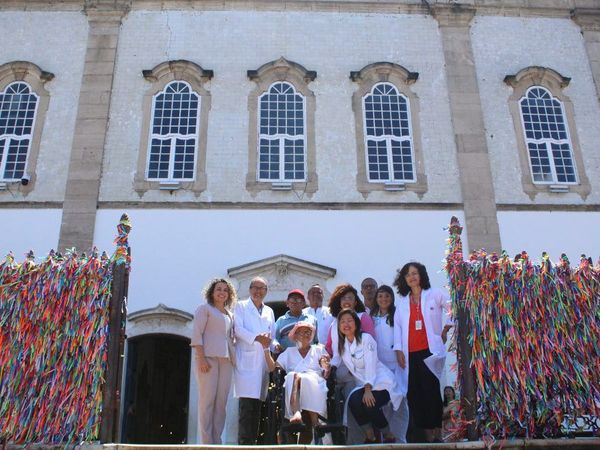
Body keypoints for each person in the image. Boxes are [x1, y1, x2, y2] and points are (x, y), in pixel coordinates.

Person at [393, 262, 453, 443]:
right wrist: (398, 350)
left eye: (415, 273)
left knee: (432, 392)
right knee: (415, 394)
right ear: (404, 280)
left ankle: (437, 433)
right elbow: (398, 328)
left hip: (430, 352)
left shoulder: (434, 294)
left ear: (421, 275)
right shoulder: (402, 303)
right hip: (410, 354)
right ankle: (426, 436)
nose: (411, 277)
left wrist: (446, 328)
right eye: (408, 275)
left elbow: (452, 305)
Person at [337, 309, 401, 443]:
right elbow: (335, 361)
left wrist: (367, 389)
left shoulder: (366, 339)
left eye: (349, 320)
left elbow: (371, 365)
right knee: (353, 400)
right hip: (363, 385)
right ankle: (370, 436)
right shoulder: (342, 345)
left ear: (356, 323)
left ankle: (388, 434)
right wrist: (325, 362)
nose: (346, 324)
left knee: (369, 404)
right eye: (342, 322)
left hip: (381, 383)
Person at [264, 321, 330, 444]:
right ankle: (300, 413)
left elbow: (325, 367)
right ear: (295, 336)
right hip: (295, 388)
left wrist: (325, 365)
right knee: (292, 376)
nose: (306, 335)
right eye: (302, 332)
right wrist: (265, 349)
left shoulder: (319, 349)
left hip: (315, 385)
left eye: (308, 332)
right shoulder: (289, 352)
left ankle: (305, 416)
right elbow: (273, 368)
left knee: (302, 377)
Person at [191, 278, 237, 444]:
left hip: (226, 361)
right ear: (212, 292)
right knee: (207, 401)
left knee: (221, 403)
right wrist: (201, 358)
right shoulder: (204, 309)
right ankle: (206, 442)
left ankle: (217, 441)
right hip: (208, 359)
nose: (222, 292)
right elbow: (197, 335)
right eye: (219, 289)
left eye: (225, 290)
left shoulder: (230, 314)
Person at [233, 276, 275, 445]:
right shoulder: (241, 306)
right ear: (249, 289)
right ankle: (244, 444)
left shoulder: (269, 311)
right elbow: (238, 329)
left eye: (262, 288)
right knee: (246, 407)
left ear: (266, 291)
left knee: (258, 406)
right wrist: (257, 338)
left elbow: (272, 334)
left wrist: (275, 345)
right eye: (255, 287)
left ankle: (254, 443)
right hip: (247, 361)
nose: (258, 291)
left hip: (262, 362)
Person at [370, 285, 409, 443]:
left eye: (387, 296)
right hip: (380, 366)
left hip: (397, 364)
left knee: (399, 399)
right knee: (385, 401)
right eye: (380, 296)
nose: (383, 299)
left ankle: (400, 438)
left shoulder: (397, 314)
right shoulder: (372, 317)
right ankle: (386, 438)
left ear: (392, 298)